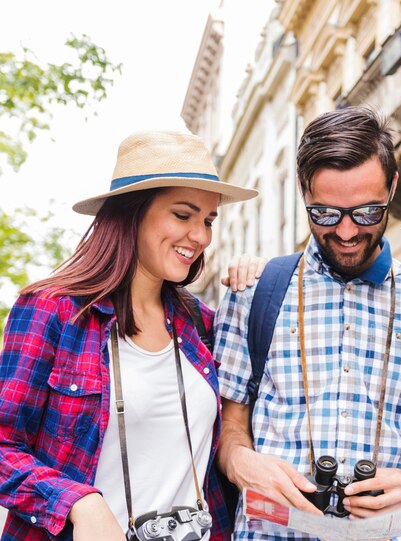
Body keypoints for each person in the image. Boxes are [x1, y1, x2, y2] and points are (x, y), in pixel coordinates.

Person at [0, 130, 258, 541]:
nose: (202, 236)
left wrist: (261, 282)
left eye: (208, 220)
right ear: (132, 213)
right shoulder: (51, 311)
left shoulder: (204, 325)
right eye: (183, 215)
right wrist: (76, 502)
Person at [214, 106, 401, 541]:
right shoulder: (255, 291)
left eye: (368, 212)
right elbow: (226, 423)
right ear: (302, 192)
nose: (348, 232)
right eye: (326, 214)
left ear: (392, 187)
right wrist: (241, 463)